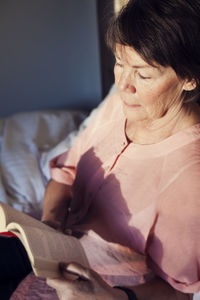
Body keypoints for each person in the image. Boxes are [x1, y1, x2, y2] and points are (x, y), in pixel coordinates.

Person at [42, 0, 200, 299]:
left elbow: (178, 292)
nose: (123, 85)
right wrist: (49, 224)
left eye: (143, 74)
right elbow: (64, 175)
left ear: (189, 78)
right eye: (119, 62)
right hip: (53, 260)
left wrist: (112, 297)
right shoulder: (120, 105)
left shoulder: (191, 177)